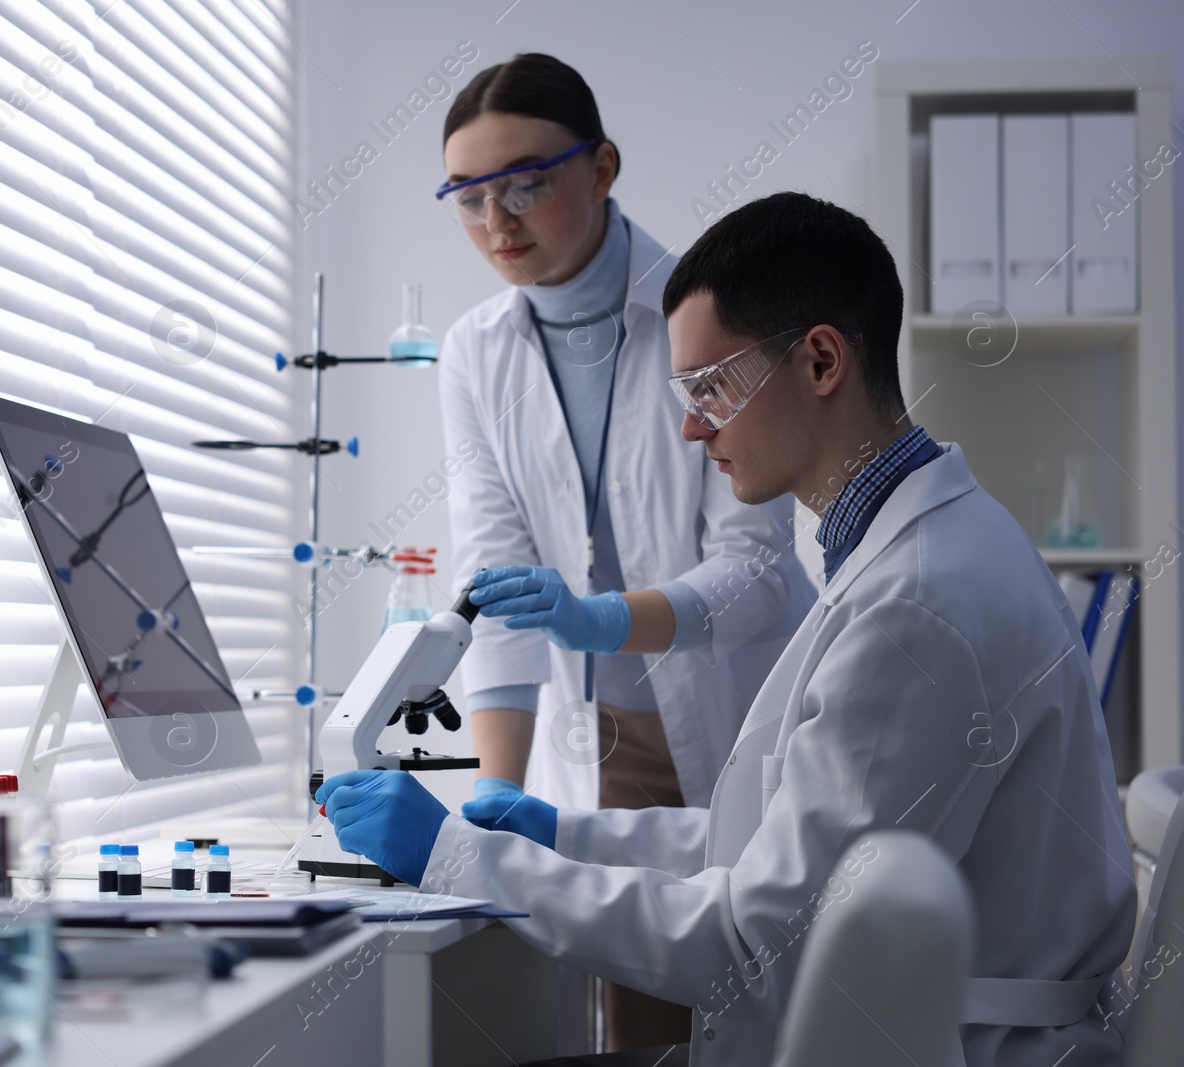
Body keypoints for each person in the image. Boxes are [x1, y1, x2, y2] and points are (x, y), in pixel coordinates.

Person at [319, 191, 1135, 1066]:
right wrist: (563, 833)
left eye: (711, 386)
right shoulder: (915, 548)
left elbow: (762, 949)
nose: (690, 423)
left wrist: (457, 858)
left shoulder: (916, 605)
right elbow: (773, 852)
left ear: (821, 360)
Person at [435, 54, 816, 1047]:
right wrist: (495, 795)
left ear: (602, 168)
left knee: (758, 1014)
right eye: (468, 198)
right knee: (638, 1030)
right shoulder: (474, 350)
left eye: (525, 182)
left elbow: (759, 574)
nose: (497, 222)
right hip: (586, 737)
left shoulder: (705, 317)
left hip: (739, 718)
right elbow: (495, 576)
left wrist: (604, 616)